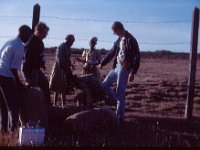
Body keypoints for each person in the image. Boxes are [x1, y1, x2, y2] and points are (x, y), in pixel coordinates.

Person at [99, 21, 140, 125]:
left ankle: (119, 118)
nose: (114, 34)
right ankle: (115, 100)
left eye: (114, 32)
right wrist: (102, 63)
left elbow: (137, 57)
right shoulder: (118, 40)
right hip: (116, 67)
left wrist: (133, 72)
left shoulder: (131, 40)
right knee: (104, 85)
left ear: (119, 29)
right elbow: (111, 52)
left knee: (120, 92)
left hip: (124, 68)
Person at [0, 25, 32, 133]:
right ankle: (12, 131)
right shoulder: (19, 46)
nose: (29, 38)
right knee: (14, 105)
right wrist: (20, 84)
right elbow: (13, 69)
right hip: (6, 76)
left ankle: (3, 130)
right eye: (29, 35)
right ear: (23, 34)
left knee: (3, 105)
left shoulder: (9, 42)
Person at [22, 22, 52, 105]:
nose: (46, 35)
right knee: (33, 90)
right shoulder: (31, 42)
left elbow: (40, 56)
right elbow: (25, 60)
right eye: (45, 33)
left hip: (36, 69)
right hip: (30, 70)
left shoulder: (40, 42)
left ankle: (47, 105)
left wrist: (42, 63)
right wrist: (26, 75)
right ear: (39, 31)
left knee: (45, 84)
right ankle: (32, 110)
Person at [49, 34, 75, 106]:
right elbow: (59, 58)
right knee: (57, 85)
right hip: (59, 67)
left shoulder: (68, 48)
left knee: (64, 86)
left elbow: (68, 58)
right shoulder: (61, 47)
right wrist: (63, 66)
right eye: (72, 41)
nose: (72, 43)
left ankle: (63, 104)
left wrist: (70, 65)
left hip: (65, 67)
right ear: (68, 40)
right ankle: (55, 103)